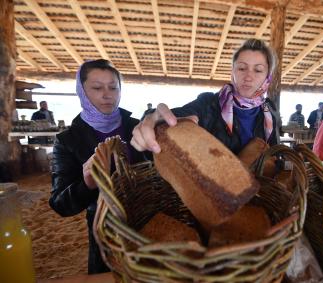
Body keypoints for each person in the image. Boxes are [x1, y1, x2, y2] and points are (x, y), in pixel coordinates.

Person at [49, 59, 147, 274]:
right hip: (104, 231)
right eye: (97, 88)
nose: (107, 94)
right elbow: (60, 204)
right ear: (81, 91)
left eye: (113, 87)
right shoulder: (68, 140)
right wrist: (87, 183)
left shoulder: (137, 127)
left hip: (147, 221)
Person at [131, 38, 281, 156]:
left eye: (258, 70)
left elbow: (274, 153)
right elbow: (178, 117)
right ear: (232, 71)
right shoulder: (209, 104)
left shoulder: (270, 110)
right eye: (242, 68)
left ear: (268, 77)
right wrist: (154, 120)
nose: (248, 76)